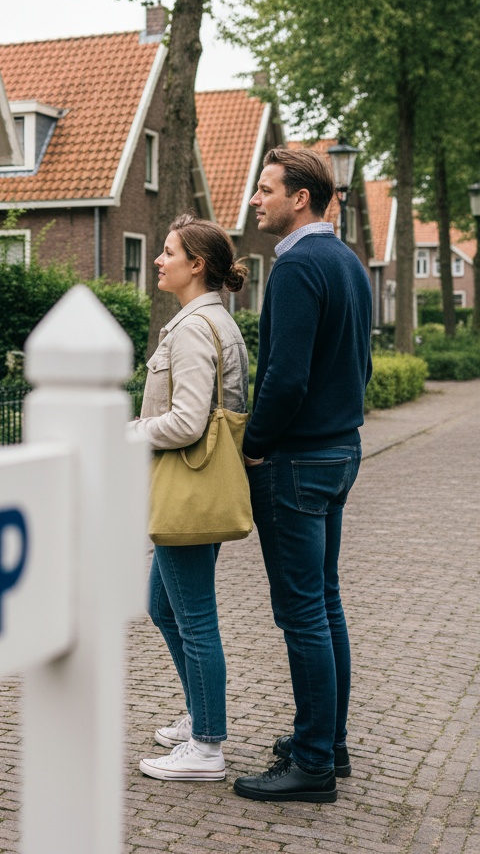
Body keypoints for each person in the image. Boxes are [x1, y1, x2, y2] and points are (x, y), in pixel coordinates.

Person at [233, 147, 372, 804]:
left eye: (266, 190)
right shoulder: (347, 263)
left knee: (302, 613)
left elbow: (285, 377)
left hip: (297, 461)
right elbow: (360, 365)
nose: (256, 200)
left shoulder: (295, 268)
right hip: (341, 451)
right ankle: (329, 743)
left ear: (301, 199)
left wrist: (255, 445)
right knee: (327, 601)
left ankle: (313, 761)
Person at [132, 213, 249, 783]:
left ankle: (206, 747)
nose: (159, 259)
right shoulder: (214, 322)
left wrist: (126, 431)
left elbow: (185, 421)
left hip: (187, 486)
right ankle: (201, 714)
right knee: (163, 607)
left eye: (168, 251)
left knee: (195, 618)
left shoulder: (194, 329)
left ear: (196, 265)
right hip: (197, 485)